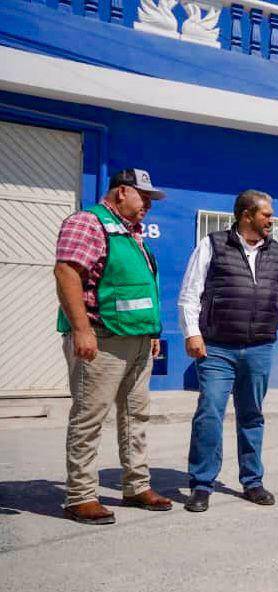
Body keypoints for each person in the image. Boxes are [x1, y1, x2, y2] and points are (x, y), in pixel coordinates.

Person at [55, 168, 173, 525]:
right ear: (122, 192)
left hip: (137, 339)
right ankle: (80, 496)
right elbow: (67, 272)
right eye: (144, 197)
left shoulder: (133, 234)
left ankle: (136, 486)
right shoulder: (88, 222)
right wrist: (81, 330)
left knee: (136, 416)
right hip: (102, 337)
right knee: (90, 417)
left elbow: (136, 288)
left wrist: (151, 332)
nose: (149, 205)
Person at [178, 190, 278, 512]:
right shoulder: (213, 245)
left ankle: (253, 481)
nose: (271, 221)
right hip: (217, 347)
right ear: (247, 215)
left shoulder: (275, 252)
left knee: (252, 415)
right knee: (209, 413)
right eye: (267, 215)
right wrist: (192, 333)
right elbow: (190, 293)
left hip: (259, 347)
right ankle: (202, 484)